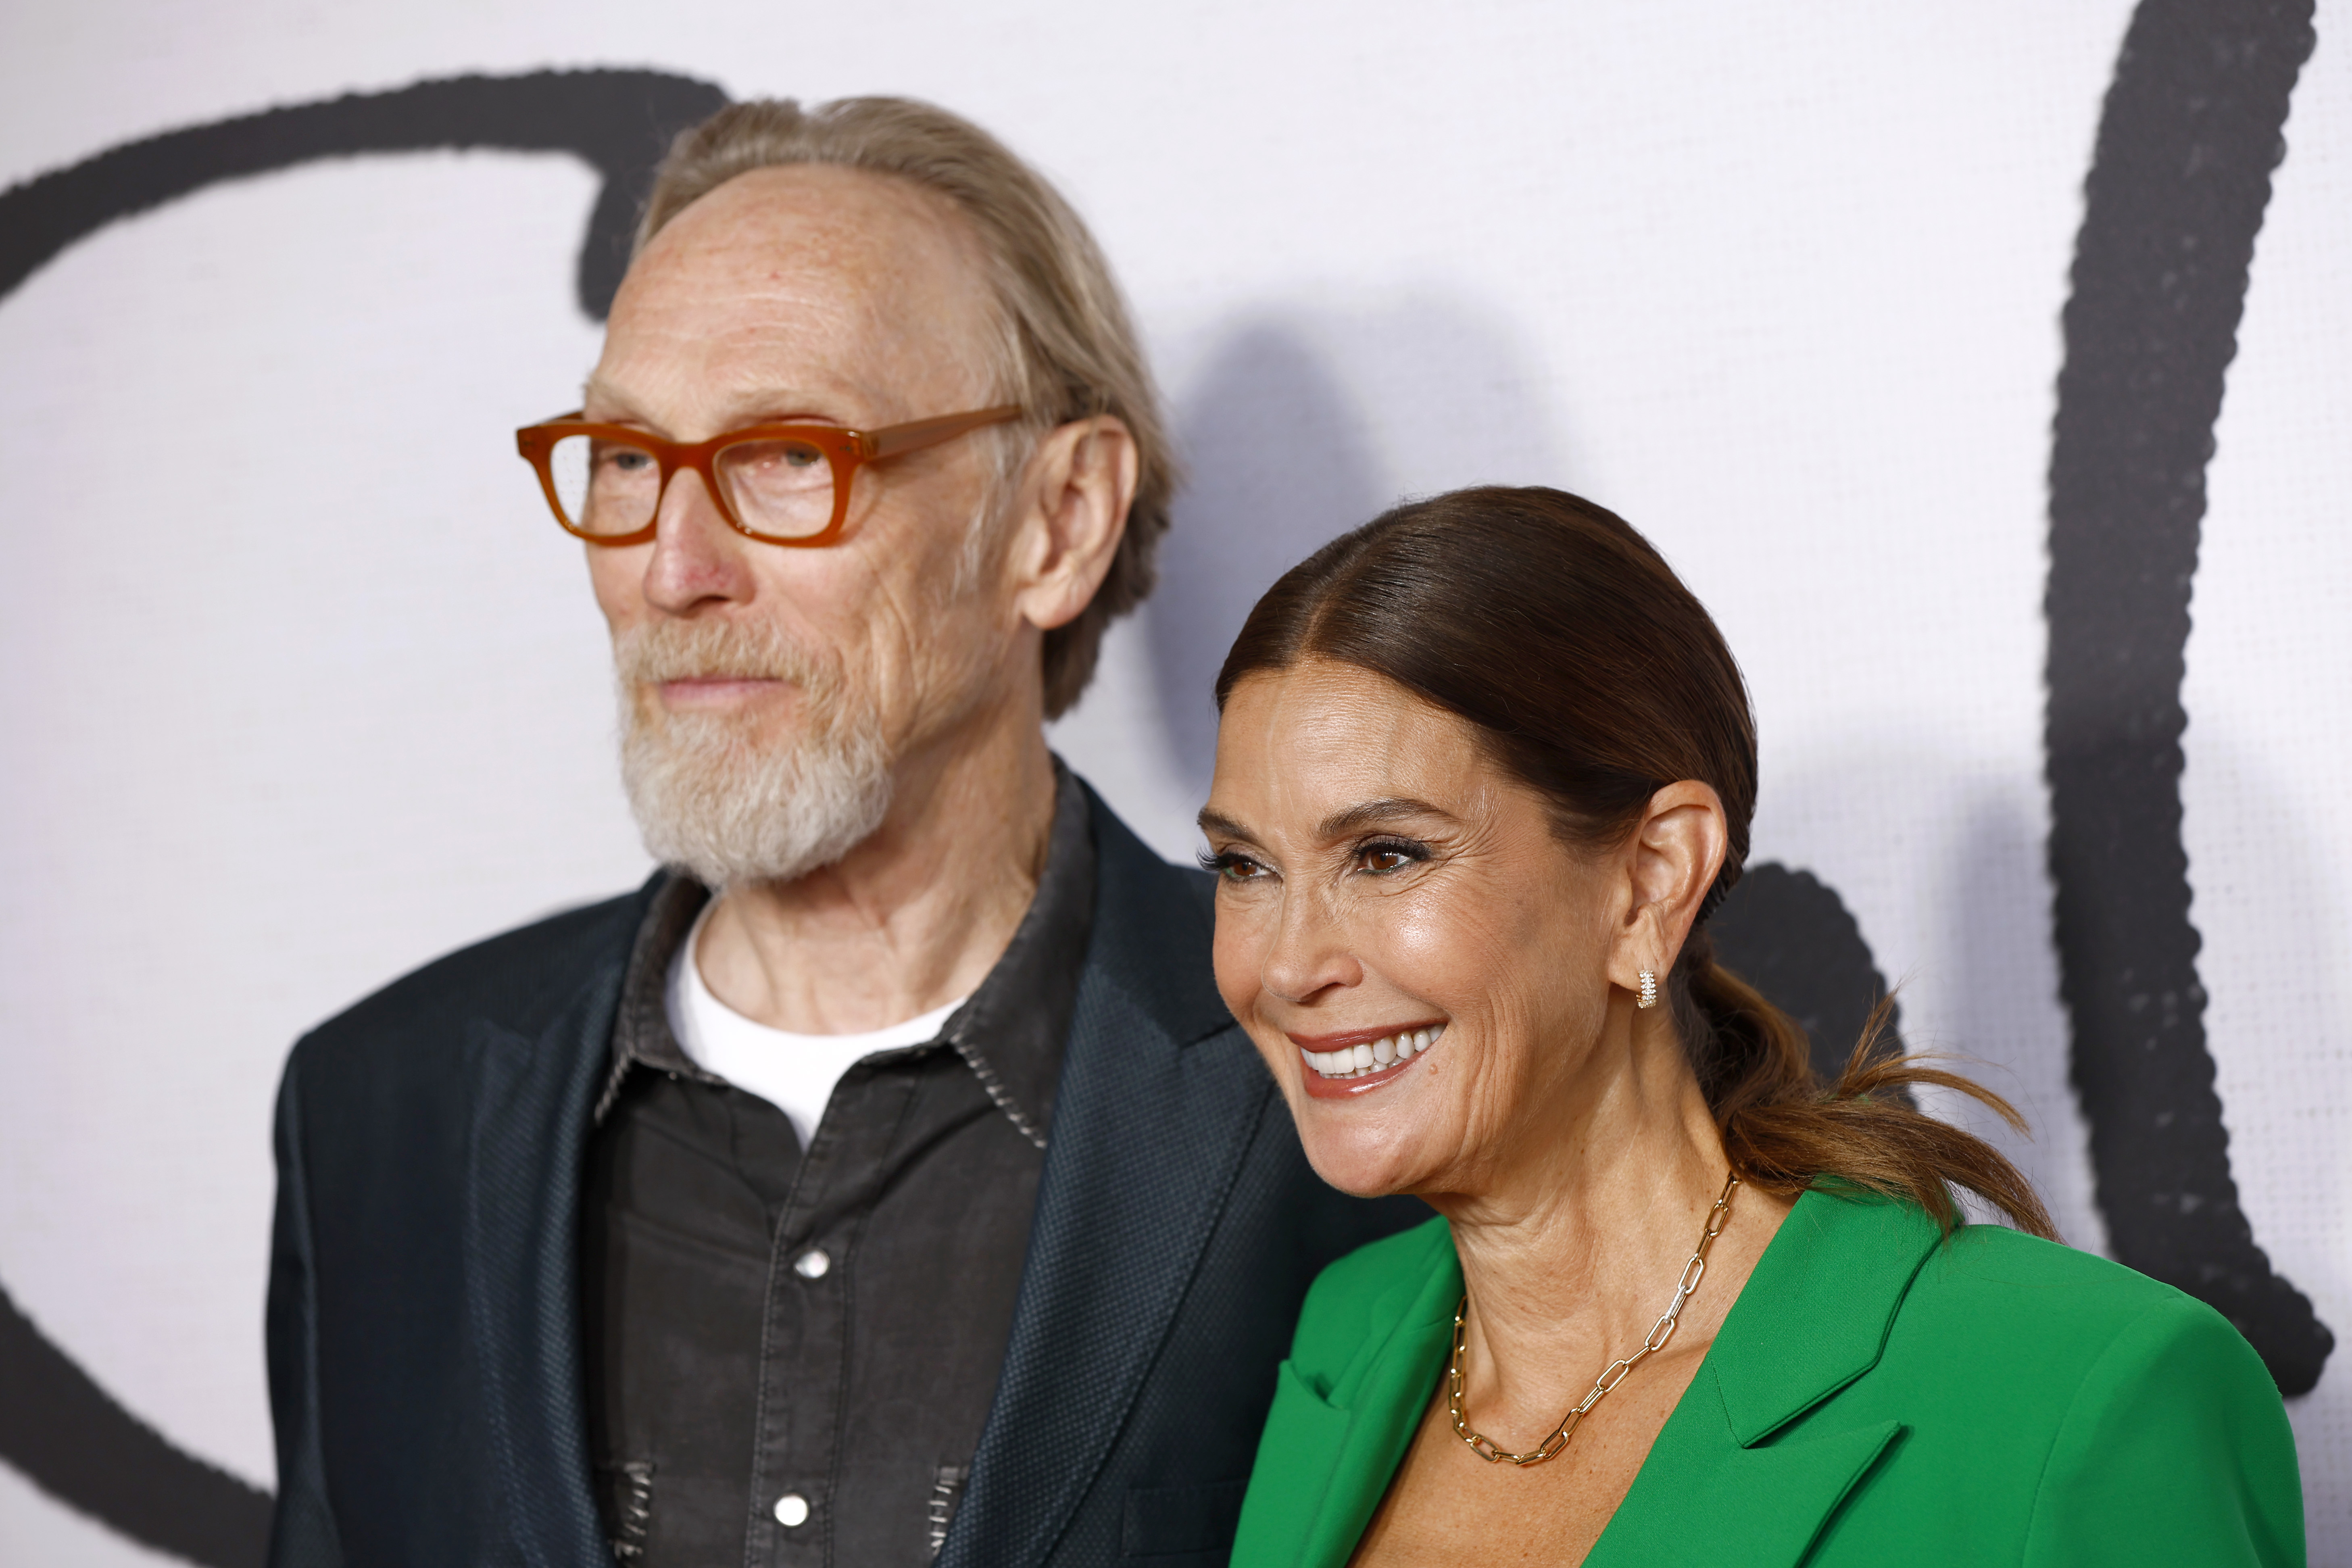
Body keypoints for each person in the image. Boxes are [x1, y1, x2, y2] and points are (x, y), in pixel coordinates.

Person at [263, 96, 1420, 1568]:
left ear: (1056, 523)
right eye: (626, 459)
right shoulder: (381, 1112)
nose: (673, 568)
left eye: (788, 457)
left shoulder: (1335, 1083)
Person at [1200, 487, 2305, 1567]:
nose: (1288, 965)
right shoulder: (1348, 1338)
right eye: (1244, 866)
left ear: (1649, 881)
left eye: (1388, 854)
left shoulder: (2080, 1397)